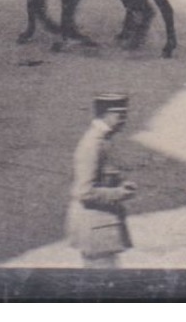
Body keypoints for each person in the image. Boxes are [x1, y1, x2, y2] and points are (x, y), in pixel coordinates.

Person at [68, 94, 137, 269]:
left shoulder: (102, 140)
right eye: (121, 115)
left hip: (100, 228)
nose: (124, 121)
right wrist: (120, 193)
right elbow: (84, 192)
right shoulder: (93, 144)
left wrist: (120, 185)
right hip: (96, 229)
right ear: (107, 114)